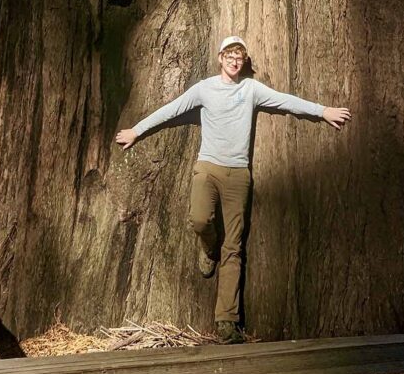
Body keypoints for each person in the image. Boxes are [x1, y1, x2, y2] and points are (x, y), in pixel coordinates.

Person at [115, 35, 352, 343]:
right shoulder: (204, 89)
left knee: (235, 247)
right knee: (200, 220)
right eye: (229, 55)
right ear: (220, 57)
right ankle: (208, 248)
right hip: (208, 168)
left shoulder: (251, 89)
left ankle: (227, 321)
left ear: (243, 62)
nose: (234, 61)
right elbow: (171, 110)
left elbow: (286, 100)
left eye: (239, 57)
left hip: (239, 174)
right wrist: (137, 130)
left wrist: (323, 111)